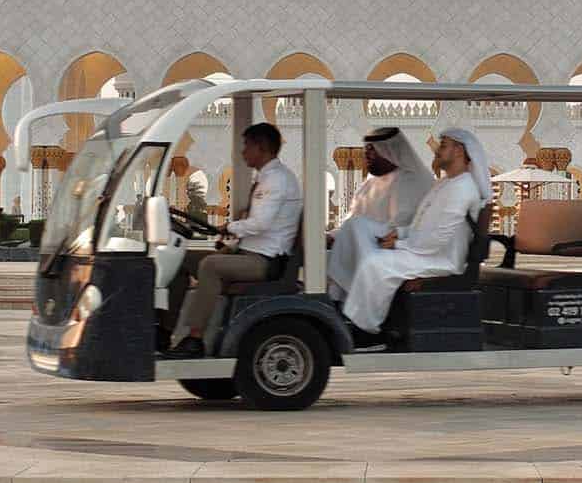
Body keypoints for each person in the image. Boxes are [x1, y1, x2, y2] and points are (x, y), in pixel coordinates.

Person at [162, 122, 302, 360]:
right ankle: (165, 332)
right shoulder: (265, 178)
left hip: (264, 261)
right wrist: (231, 243)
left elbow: (261, 224)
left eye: (247, 146)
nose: (243, 152)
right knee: (181, 259)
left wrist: (228, 226)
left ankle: (194, 339)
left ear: (262, 147)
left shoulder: (277, 180)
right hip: (248, 253)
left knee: (210, 266)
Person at [339, 126, 491, 337]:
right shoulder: (447, 183)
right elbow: (423, 223)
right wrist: (399, 234)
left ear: (459, 151)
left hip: (442, 259)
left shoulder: (462, 188)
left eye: (444, 146)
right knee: (366, 241)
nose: (437, 150)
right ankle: (355, 311)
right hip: (427, 250)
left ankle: (367, 329)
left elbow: (436, 239)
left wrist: (399, 245)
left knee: (375, 263)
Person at [327, 127, 433, 303]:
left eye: (372, 149)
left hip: (396, 251)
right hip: (368, 245)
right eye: (366, 148)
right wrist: (331, 237)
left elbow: (396, 230)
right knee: (324, 256)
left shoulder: (411, 181)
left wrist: (354, 236)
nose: (366, 154)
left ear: (390, 151)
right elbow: (352, 219)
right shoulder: (370, 183)